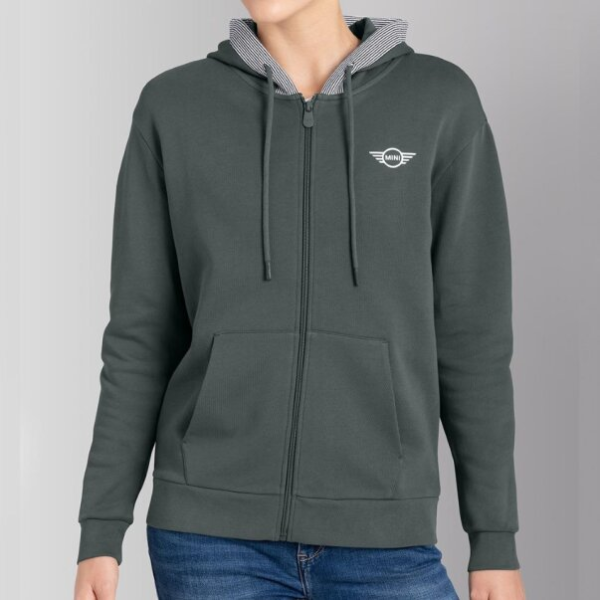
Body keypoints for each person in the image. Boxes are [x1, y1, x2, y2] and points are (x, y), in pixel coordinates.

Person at [74, 1, 527, 599]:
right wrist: (102, 528)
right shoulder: (174, 105)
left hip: (384, 534)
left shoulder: (438, 100)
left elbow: (473, 339)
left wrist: (493, 538)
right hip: (209, 540)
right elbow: (141, 335)